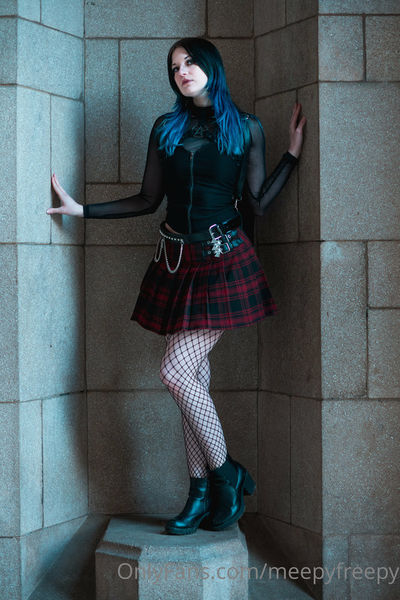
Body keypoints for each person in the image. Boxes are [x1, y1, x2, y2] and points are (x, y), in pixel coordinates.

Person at [48, 37, 306, 536]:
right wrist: (82, 210)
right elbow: (148, 199)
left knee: (175, 371)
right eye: (174, 67)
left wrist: (291, 156)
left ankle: (226, 474)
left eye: (190, 62)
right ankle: (200, 491)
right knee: (194, 378)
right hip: (174, 262)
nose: (182, 71)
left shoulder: (246, 127)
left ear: (211, 66)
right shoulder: (166, 127)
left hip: (223, 260)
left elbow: (256, 203)